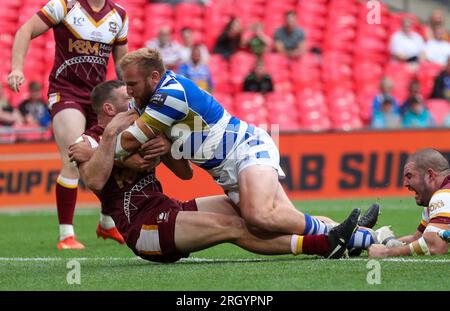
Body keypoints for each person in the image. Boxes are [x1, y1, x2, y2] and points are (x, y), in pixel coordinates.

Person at [110, 48, 378, 258]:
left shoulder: (170, 95)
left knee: (257, 216)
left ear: (154, 78)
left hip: (244, 148)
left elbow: (126, 143)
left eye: (132, 84)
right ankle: (366, 236)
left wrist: (100, 146)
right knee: (280, 220)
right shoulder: (149, 103)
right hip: (228, 169)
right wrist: (169, 149)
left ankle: (344, 236)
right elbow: (185, 173)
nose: (128, 91)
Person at [7, 0, 129, 249]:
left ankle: (107, 224)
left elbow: (121, 67)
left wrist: (132, 97)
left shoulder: (120, 15)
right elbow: (25, 30)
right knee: (74, 154)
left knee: (112, 157)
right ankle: (66, 235)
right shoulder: (64, 5)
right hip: (66, 92)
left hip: (99, 98)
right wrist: (17, 68)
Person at [369, 148, 450, 258]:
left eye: (409, 176)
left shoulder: (444, 195)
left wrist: (387, 253)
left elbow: (434, 245)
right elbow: (417, 239)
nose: (405, 184)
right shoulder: (436, 200)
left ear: (430, 175)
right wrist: (384, 242)